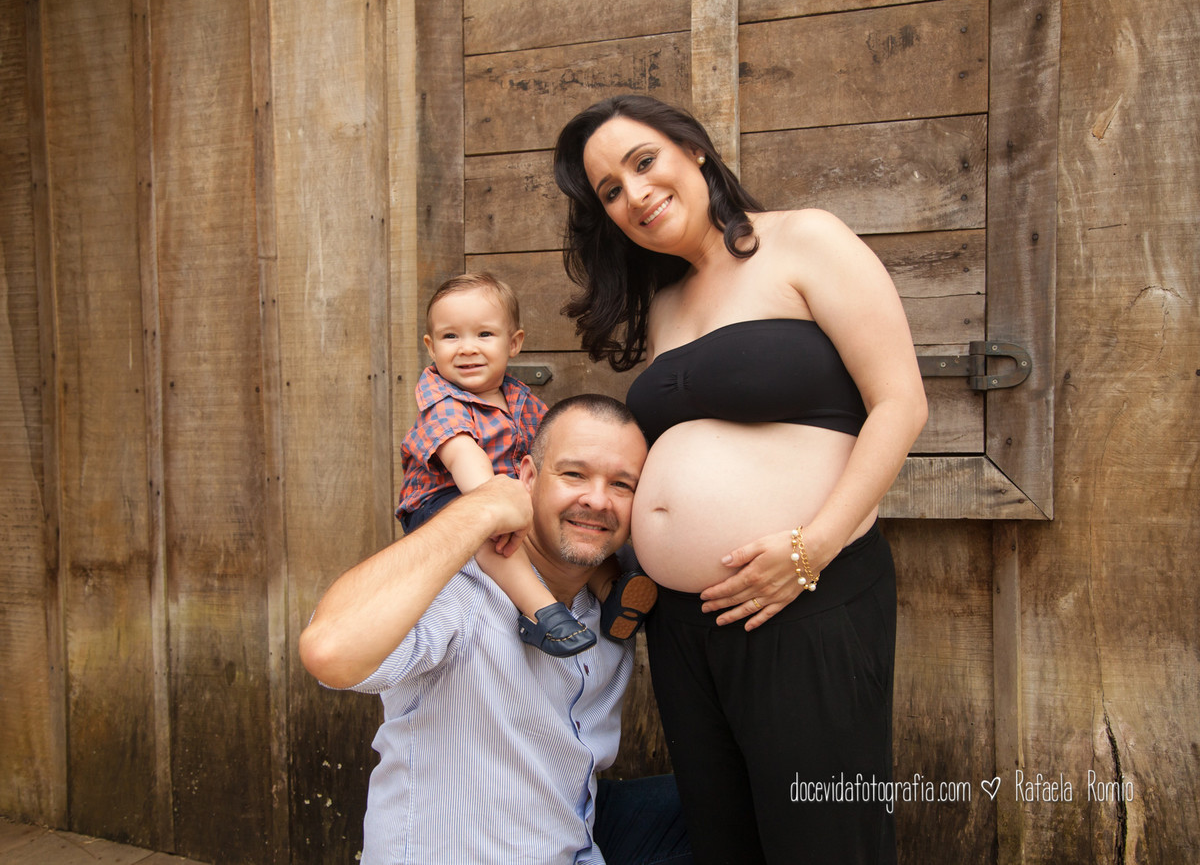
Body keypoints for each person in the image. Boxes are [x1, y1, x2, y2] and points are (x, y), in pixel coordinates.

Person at [553, 95, 929, 864]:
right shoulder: (663, 302)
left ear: (692, 148)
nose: (634, 194)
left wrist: (811, 549)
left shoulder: (804, 240)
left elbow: (901, 402)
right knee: (723, 841)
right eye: (610, 192)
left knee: (822, 840)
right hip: (685, 626)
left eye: (643, 161)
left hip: (802, 594)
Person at [300, 395, 691, 865]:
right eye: (573, 474)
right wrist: (481, 507)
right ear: (526, 477)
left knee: (734, 803)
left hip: (574, 840)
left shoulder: (615, 602)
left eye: (622, 484)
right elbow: (330, 650)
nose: (597, 499)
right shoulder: (460, 591)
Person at [397, 272, 655, 655]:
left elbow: (546, 450)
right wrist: (498, 508)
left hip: (504, 492)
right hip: (446, 501)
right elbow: (466, 461)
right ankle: (539, 611)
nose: (467, 348)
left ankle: (611, 593)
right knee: (489, 538)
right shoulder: (441, 400)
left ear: (514, 343)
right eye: (451, 337)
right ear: (431, 347)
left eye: (484, 335)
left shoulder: (519, 398)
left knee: (571, 519)